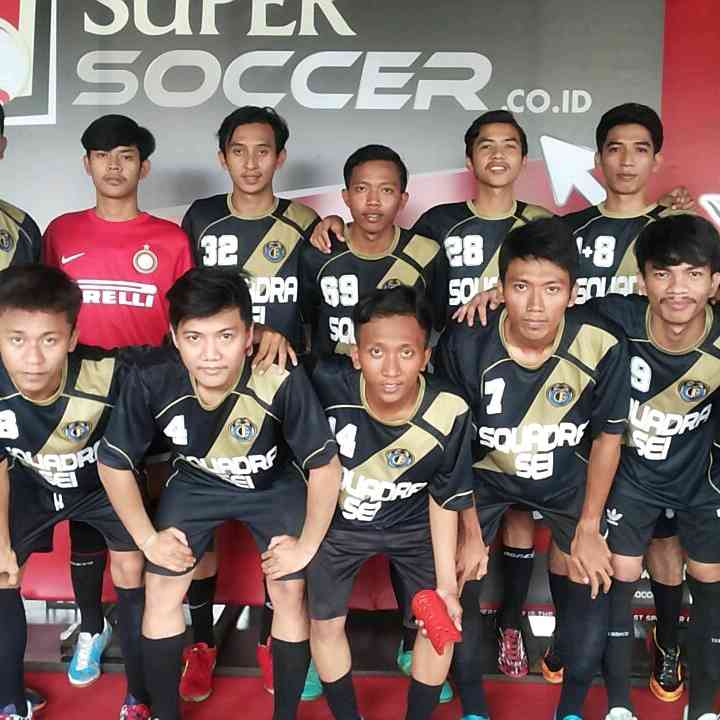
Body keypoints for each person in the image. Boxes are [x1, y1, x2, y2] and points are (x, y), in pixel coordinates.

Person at [309, 111, 552, 677]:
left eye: (509, 145)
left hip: (448, 387)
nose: (374, 199)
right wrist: (327, 222)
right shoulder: (434, 226)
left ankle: (456, 627)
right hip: (352, 395)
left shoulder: (538, 225)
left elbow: (440, 319)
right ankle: (320, 636)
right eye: (361, 190)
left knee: (452, 510)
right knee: (357, 506)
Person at [97, 267, 341, 720]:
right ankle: (165, 713)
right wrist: (149, 540)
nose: (210, 355)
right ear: (175, 337)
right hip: (196, 483)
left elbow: (325, 466)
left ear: (249, 336)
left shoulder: (278, 373)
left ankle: (284, 715)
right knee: (162, 585)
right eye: (194, 338)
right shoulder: (152, 376)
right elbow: (113, 462)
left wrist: (306, 545)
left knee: (290, 590)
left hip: (271, 484)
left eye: (225, 337)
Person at [436, 217, 630, 720]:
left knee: (592, 575)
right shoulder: (466, 341)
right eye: (521, 287)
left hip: (565, 480)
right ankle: (474, 708)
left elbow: (608, 436)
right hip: (485, 479)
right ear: (500, 289)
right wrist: (468, 531)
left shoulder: (602, 341)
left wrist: (589, 525)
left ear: (573, 291)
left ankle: (570, 709)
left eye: (552, 289)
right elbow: (453, 448)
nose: (537, 305)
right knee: (458, 573)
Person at [42, 114, 193, 691]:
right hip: (78, 396)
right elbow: (42, 316)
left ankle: (153, 624)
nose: (114, 165)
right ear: (86, 163)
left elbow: (185, 324)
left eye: (126, 155)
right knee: (86, 511)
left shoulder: (170, 239)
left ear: (143, 167)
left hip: (148, 393)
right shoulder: (61, 233)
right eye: (102, 155)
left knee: (145, 514)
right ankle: (90, 625)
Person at [181, 106, 321, 700]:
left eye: (263, 150)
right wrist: (249, 330)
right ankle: (201, 643)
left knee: (279, 531)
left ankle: (271, 640)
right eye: (239, 150)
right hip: (209, 388)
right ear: (223, 157)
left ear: (280, 157)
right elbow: (187, 304)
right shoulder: (201, 217)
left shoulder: (305, 222)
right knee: (198, 528)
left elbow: (322, 305)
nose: (251, 162)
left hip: (278, 390)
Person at [307, 285, 474, 720]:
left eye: (406, 352)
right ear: (356, 355)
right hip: (339, 526)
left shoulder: (450, 408)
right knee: (323, 623)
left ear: (425, 356)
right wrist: (263, 333)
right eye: (376, 352)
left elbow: (445, 498)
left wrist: (446, 585)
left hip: (412, 525)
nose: (392, 368)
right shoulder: (324, 382)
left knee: (439, 620)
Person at [585, 215, 720, 720]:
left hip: (701, 480)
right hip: (633, 477)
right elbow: (546, 310)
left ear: (714, 282)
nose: (678, 289)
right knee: (619, 575)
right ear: (642, 280)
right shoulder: (616, 316)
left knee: (708, 581)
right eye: (663, 274)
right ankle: (619, 705)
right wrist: (493, 299)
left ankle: (702, 708)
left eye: (693, 274)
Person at [0, 265, 148, 720]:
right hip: (31, 484)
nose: (33, 358)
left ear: (72, 338)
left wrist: (261, 335)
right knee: (0, 572)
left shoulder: (113, 371)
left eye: (48, 339)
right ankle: (10, 702)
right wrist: (2, 545)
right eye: (16, 339)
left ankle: (139, 696)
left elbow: (192, 353)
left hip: (102, 486)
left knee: (132, 569)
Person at [300, 144, 447, 361]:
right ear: (346, 196)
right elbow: (307, 318)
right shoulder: (320, 251)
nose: (373, 201)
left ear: (402, 199)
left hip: (396, 377)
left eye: (386, 190)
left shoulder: (427, 254)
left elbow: (436, 322)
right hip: (327, 377)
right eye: (361, 189)